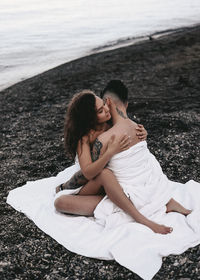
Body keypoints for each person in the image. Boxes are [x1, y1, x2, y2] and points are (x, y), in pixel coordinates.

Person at [54, 81, 191, 234]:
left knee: (111, 173)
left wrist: (143, 133)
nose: (107, 109)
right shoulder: (85, 138)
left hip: (113, 184)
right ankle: (141, 213)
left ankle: (144, 215)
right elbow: (88, 174)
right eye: (100, 110)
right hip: (92, 182)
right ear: (90, 118)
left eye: (104, 104)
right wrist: (109, 153)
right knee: (61, 202)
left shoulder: (110, 124)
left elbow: (126, 127)